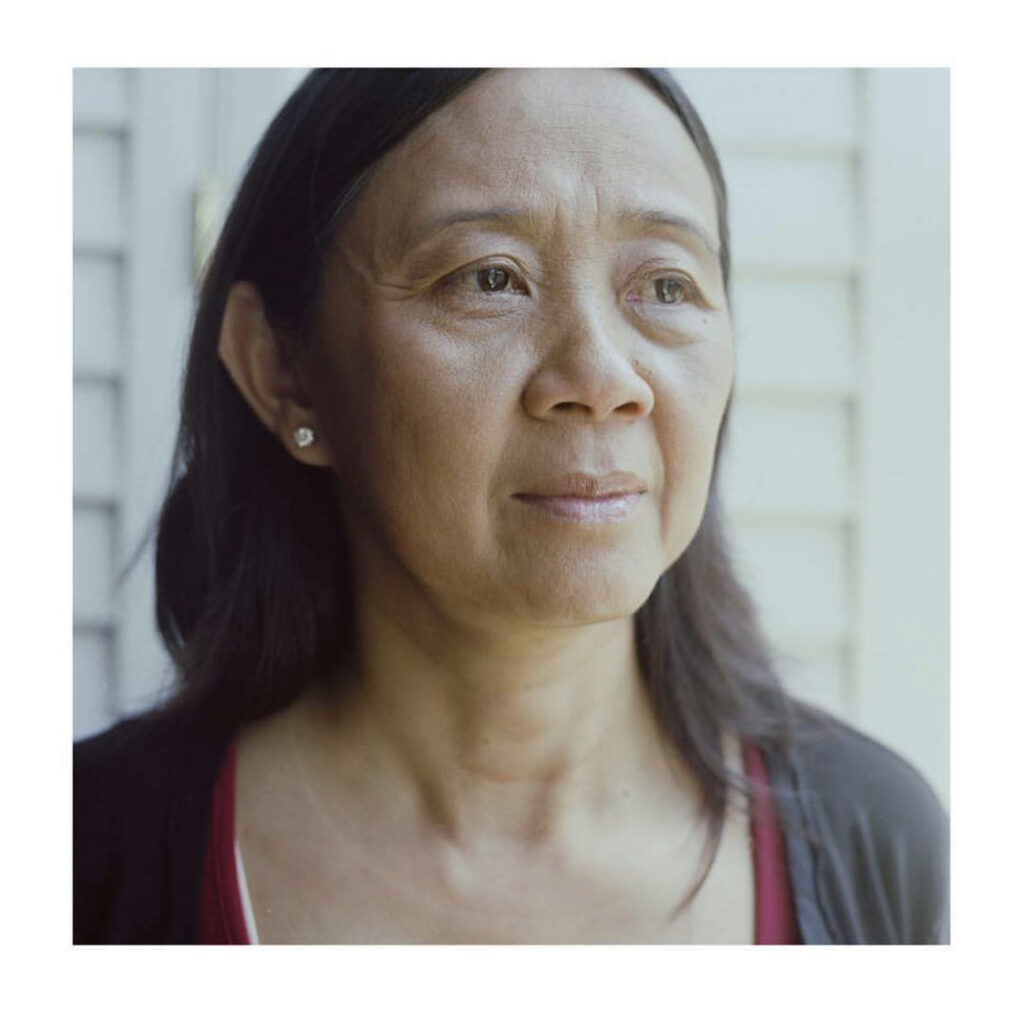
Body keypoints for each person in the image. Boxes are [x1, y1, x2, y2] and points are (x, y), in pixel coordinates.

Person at [73, 68, 948, 944]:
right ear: (283, 371)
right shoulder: (82, 863)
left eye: (668, 286)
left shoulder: (875, 841)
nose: (603, 379)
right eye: (488, 278)